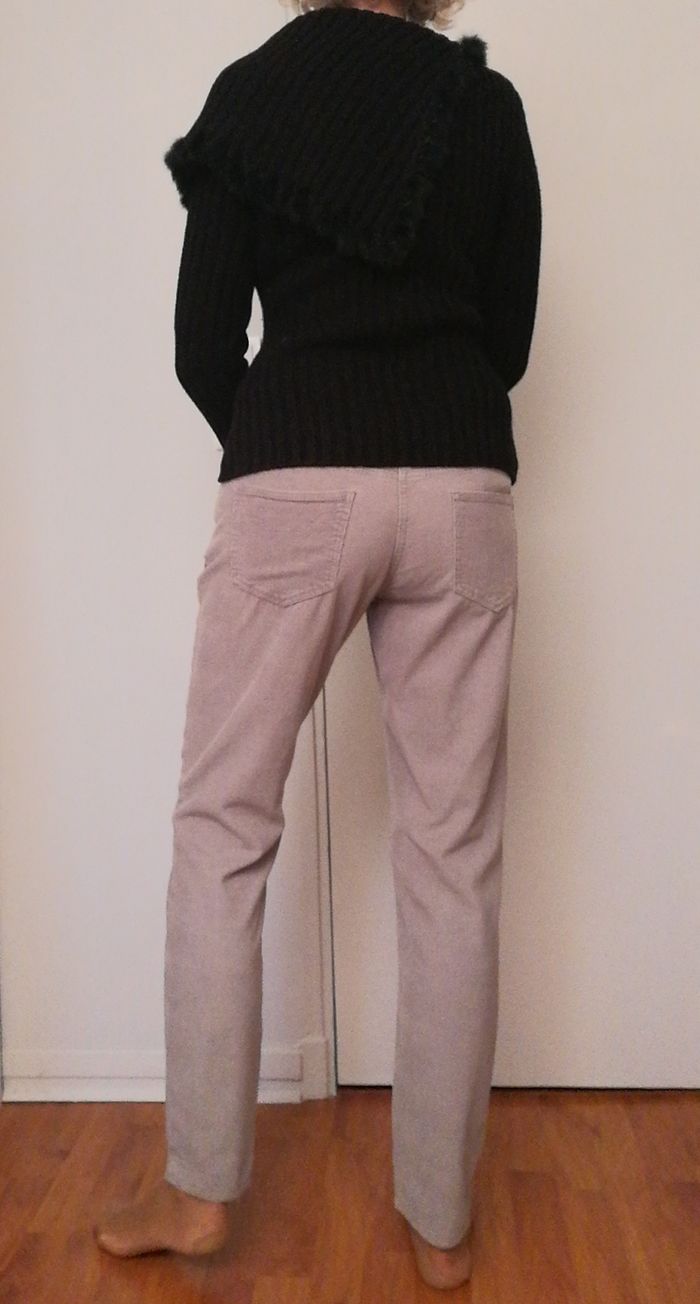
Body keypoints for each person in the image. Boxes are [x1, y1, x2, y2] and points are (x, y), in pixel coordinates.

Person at [94, 0, 542, 1290]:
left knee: (222, 829)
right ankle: (442, 1221)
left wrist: (285, 436)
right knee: (452, 855)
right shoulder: (484, 105)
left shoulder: (254, 89)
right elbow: (506, 341)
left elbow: (201, 342)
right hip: (460, 489)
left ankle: (198, 1195)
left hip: (293, 479)